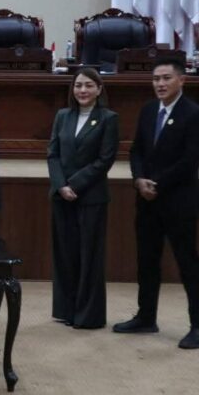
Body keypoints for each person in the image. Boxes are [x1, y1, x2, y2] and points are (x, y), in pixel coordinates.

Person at [114, 59, 199, 349]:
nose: (160, 84)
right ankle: (146, 317)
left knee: (187, 263)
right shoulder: (148, 110)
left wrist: (156, 183)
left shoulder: (194, 114)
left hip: (179, 201)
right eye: (156, 78)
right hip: (147, 200)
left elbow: (191, 160)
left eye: (166, 78)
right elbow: (136, 151)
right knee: (147, 261)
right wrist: (138, 179)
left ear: (182, 80)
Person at [47, 68, 119, 330]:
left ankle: (88, 316)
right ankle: (66, 310)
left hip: (91, 197)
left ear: (99, 89)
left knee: (89, 257)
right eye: (78, 85)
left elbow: (105, 159)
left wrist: (74, 184)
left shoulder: (108, 118)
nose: (83, 90)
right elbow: (52, 153)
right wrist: (61, 185)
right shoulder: (62, 116)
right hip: (61, 196)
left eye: (89, 85)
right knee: (65, 256)